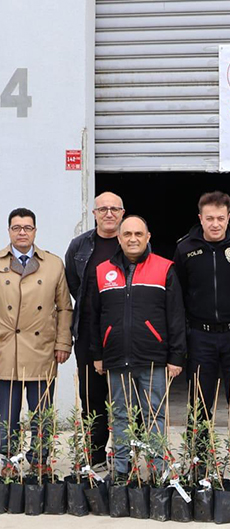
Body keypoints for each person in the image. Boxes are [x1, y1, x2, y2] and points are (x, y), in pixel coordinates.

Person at [89, 216, 185, 479]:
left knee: (154, 415)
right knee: (120, 415)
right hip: (116, 357)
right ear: (119, 238)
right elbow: (93, 316)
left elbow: (176, 316)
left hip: (153, 358)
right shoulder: (102, 271)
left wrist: (176, 356)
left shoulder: (165, 268)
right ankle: (121, 471)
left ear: (148, 237)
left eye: (138, 234)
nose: (133, 239)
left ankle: (157, 470)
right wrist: (97, 354)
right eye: (128, 234)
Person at [173, 191, 230, 452]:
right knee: (199, 402)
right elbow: (178, 294)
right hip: (201, 336)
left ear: (229, 217)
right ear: (200, 218)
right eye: (209, 218)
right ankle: (199, 460)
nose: (215, 224)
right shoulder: (185, 248)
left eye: (221, 218)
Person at [0, 208, 72, 465]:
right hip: (5, 350)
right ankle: (6, 462)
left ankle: (40, 462)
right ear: (9, 231)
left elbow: (64, 308)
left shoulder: (53, 264)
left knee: (41, 415)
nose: (22, 232)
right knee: (5, 417)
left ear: (35, 231)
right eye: (17, 227)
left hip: (42, 350)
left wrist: (63, 343)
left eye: (27, 228)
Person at [64, 191, 124, 469]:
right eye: (103, 209)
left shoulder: (132, 241)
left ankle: (125, 460)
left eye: (114, 209)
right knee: (92, 399)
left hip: (125, 334)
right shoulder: (80, 246)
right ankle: (96, 459)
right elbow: (74, 285)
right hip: (88, 335)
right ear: (94, 214)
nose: (109, 214)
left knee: (126, 399)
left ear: (122, 213)